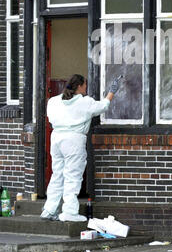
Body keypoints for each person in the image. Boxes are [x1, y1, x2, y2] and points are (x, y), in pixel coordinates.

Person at [40, 74, 121, 222]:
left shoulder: (54, 101)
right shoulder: (84, 102)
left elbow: (50, 118)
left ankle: (49, 209)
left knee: (57, 174)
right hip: (73, 140)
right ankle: (69, 212)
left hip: (57, 138)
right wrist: (112, 92)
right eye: (85, 85)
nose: (86, 88)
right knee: (72, 176)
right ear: (79, 86)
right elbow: (103, 106)